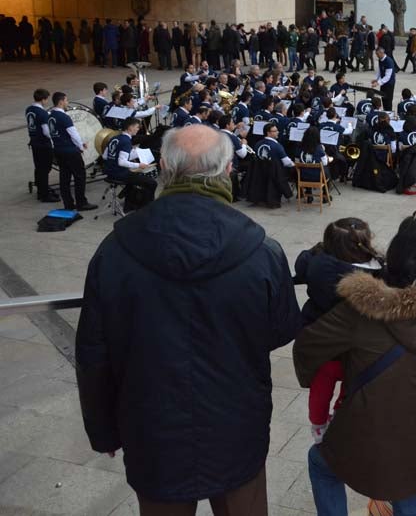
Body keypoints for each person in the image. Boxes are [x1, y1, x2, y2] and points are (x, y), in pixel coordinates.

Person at [75, 125, 300, 514]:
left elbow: (94, 352)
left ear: (162, 166)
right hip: (236, 423)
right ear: (228, 171)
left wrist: (102, 430)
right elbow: (279, 331)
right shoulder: (262, 250)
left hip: (151, 426)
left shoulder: (114, 251)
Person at [294, 211, 416, 515]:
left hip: (366, 436)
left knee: (321, 464)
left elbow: (308, 346)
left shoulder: (361, 312)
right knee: (412, 486)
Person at [294, 218, 383, 442]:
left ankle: (318, 425)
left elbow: (301, 266)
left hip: (319, 342)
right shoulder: (368, 275)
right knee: (351, 384)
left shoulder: (313, 261)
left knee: (320, 388)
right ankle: (340, 417)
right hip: (352, 346)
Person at [48, 92, 97, 211]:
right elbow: (73, 134)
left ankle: (68, 204)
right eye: (66, 100)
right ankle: (81, 203)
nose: (67, 103)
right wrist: (80, 146)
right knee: (80, 176)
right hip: (70, 151)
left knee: (64, 178)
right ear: (61, 102)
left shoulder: (50, 116)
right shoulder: (64, 117)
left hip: (58, 150)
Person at [102, 118, 157, 212]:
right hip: (119, 173)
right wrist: (139, 165)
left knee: (137, 178)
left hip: (109, 171)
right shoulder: (126, 141)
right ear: (130, 127)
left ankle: (130, 204)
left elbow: (105, 156)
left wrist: (137, 152)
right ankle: (145, 209)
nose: (138, 129)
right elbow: (121, 162)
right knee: (152, 183)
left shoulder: (115, 138)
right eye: (137, 127)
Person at [26, 88, 59, 202]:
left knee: (39, 167)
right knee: (45, 168)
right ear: (43, 99)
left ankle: (41, 188)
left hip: (34, 142)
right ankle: (44, 194)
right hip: (43, 144)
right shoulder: (42, 113)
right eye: (47, 99)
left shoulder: (29, 109)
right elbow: (47, 132)